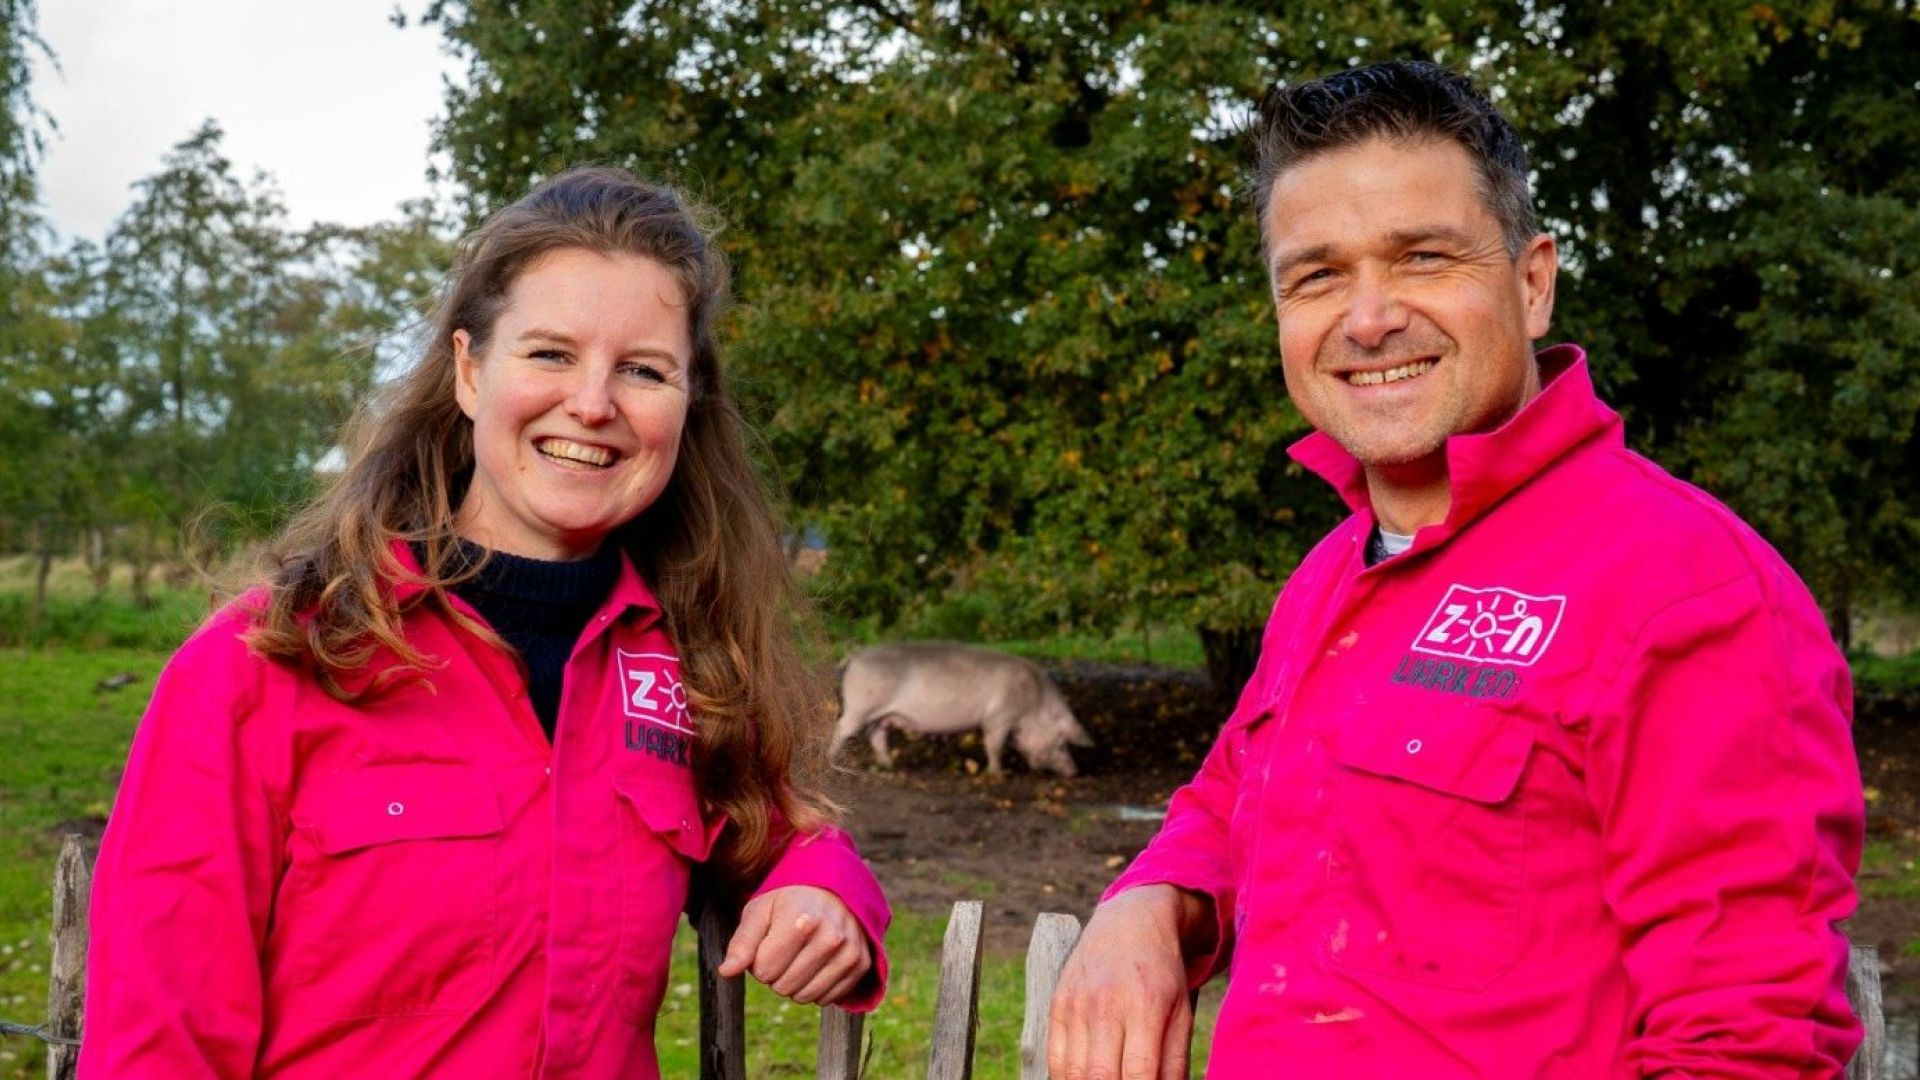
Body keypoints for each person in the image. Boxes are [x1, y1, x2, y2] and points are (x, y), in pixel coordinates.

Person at [1049, 61, 1864, 1078]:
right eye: (1317, 275)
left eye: (1423, 257)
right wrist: (1147, 902)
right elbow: (1232, 796)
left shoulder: (1689, 590)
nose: (1369, 316)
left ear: (1532, 283)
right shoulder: (1335, 575)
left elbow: (1746, 1046)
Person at [80, 167, 890, 1078]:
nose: (593, 403)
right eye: (550, 353)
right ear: (469, 371)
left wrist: (825, 888)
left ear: (687, 400)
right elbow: (158, 1041)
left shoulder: (686, 670)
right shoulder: (263, 665)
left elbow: (783, 832)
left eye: (644, 370)